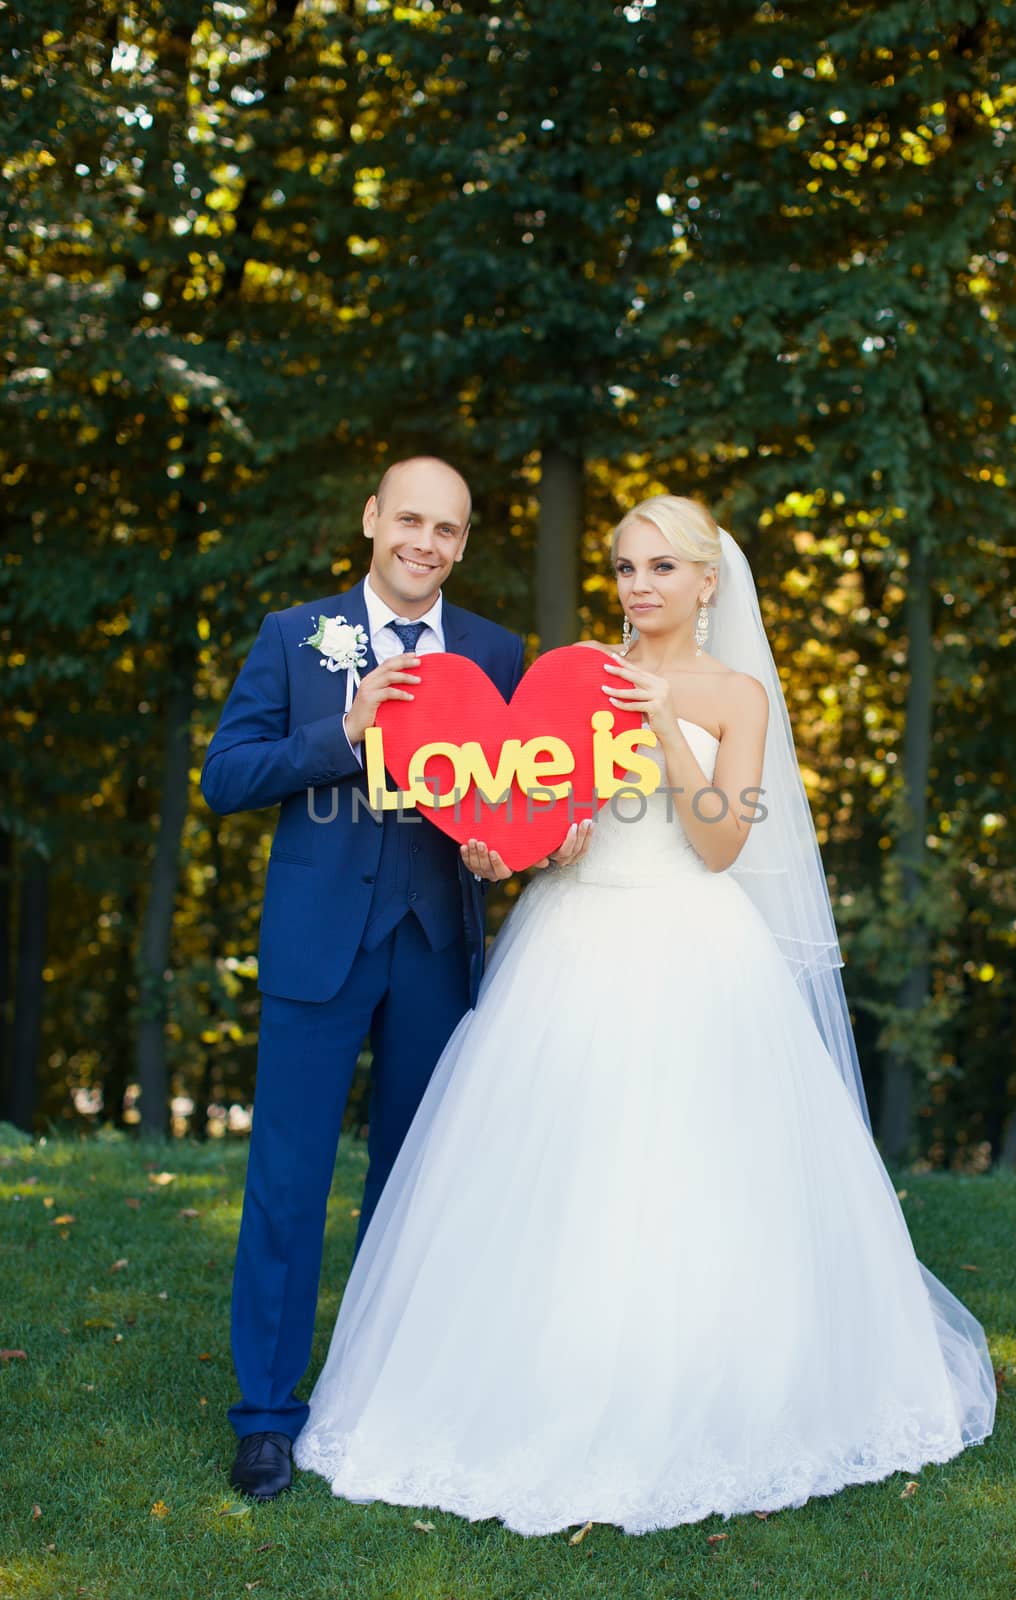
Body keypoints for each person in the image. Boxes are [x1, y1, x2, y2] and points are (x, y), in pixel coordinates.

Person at [290, 493, 997, 1535]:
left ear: (707, 582)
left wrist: (662, 721)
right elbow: (535, 812)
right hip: (569, 941)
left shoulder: (738, 697)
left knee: (688, 1178)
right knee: (551, 1174)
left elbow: (719, 846)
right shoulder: (572, 678)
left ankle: (709, 1381)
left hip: (692, 945)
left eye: (661, 568)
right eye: (624, 567)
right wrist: (514, 847)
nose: (638, 586)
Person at [201, 456, 561, 1502]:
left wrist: (507, 849)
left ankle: (388, 1391)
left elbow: (514, 793)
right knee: (287, 1181)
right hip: (319, 944)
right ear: (371, 518)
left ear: (461, 543)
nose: (425, 543)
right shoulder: (294, 635)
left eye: (446, 530)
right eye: (409, 519)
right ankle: (267, 1415)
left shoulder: (496, 651)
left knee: (414, 1185)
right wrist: (342, 732)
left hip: (436, 945)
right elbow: (227, 775)